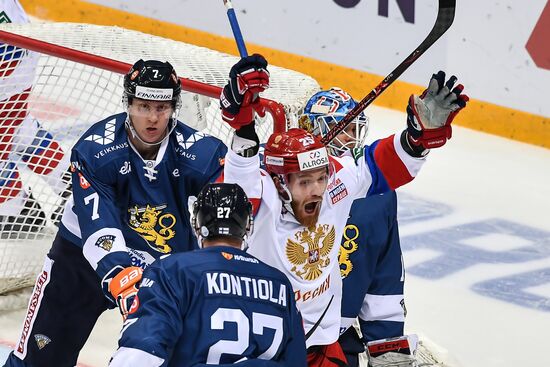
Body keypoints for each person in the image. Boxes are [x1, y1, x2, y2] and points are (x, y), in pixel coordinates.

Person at [220, 54, 468, 366]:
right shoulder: (260, 194)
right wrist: (241, 119)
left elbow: (383, 163)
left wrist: (416, 139)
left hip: (322, 346)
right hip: (261, 350)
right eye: (305, 181)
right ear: (280, 181)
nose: (316, 189)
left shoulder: (336, 181)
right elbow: (240, 169)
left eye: (321, 178)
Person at [3, 59, 227, 367]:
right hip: (80, 262)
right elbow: (99, 226)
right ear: (128, 103)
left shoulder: (202, 154)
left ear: (175, 107)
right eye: (143, 105)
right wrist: (122, 279)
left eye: (161, 107)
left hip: (162, 274)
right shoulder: (96, 149)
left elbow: (234, 212)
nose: (152, 117)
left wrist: (245, 135)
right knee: (40, 359)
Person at [110, 182, 307, 366]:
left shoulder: (173, 270)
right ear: (247, 225)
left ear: (197, 222)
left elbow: (142, 349)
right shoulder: (280, 283)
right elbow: (296, 361)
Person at [299, 88, 414, 366]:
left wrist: (388, 352)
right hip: (276, 335)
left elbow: (384, 280)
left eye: (354, 128)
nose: (349, 139)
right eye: (341, 129)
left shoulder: (379, 196)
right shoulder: (283, 185)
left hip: (337, 341)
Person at [0, 0, 70, 236]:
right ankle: (69, 184)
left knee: (9, 129)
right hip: (14, 60)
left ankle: (15, 208)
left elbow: (8, 54)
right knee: (18, 128)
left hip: (12, 67)